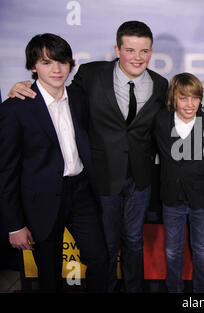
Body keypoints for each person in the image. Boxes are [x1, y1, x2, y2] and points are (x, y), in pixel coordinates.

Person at [8, 21, 169, 292]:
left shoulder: (161, 84)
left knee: (134, 241)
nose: (137, 57)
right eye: (130, 50)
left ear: (151, 52)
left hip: (139, 177)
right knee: (104, 246)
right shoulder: (91, 74)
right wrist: (21, 86)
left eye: (144, 51)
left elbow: (181, 113)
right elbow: (54, 91)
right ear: (117, 49)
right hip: (101, 177)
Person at [0, 33, 108, 292]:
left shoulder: (80, 99)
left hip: (81, 191)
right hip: (41, 200)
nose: (57, 69)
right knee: (48, 273)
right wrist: (14, 225)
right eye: (47, 62)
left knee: (100, 260)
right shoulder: (15, 109)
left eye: (62, 61)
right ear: (33, 67)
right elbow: (5, 171)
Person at [154, 72, 204, 293]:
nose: (189, 104)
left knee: (201, 249)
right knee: (173, 249)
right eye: (183, 98)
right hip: (171, 198)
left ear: (201, 99)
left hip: (200, 199)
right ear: (174, 98)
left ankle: (202, 292)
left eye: (195, 98)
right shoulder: (161, 121)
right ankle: (175, 289)